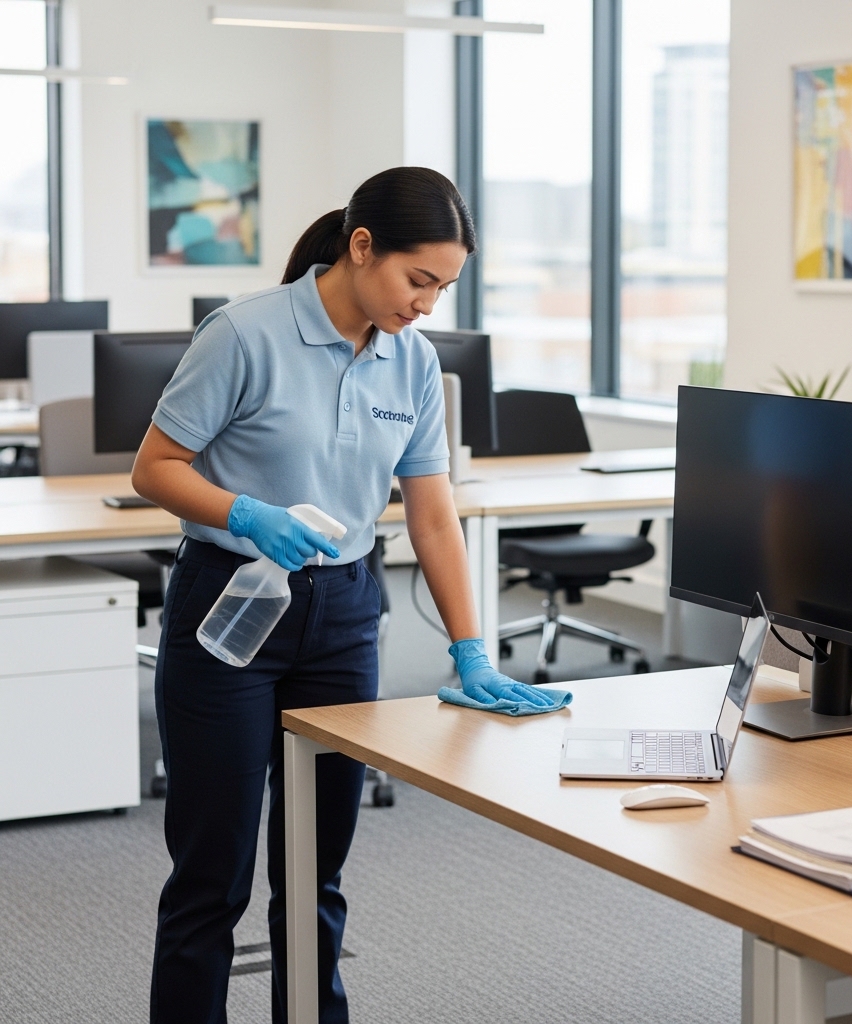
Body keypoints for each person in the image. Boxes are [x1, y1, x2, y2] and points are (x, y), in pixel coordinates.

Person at [132, 166, 556, 1024]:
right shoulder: (243, 335)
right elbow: (154, 470)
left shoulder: (414, 363)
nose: (427, 304)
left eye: (444, 286)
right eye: (418, 279)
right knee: (213, 874)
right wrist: (248, 513)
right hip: (232, 606)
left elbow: (433, 519)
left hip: (345, 614)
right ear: (362, 248)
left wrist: (471, 648)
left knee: (316, 868)